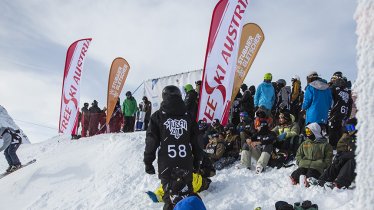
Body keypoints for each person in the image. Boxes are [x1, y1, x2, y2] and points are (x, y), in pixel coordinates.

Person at [143, 85, 202, 210]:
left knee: (170, 198)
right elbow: (197, 140)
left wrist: (148, 161)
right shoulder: (188, 116)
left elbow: (151, 141)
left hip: (166, 164)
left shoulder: (158, 116)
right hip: (185, 162)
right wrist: (198, 160)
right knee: (187, 196)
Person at [317, 118, 357, 189]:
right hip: (350, 157)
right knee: (339, 161)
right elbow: (344, 149)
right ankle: (323, 179)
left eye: (351, 127)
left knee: (351, 162)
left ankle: (340, 183)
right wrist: (341, 155)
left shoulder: (362, 138)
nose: (349, 130)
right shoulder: (350, 137)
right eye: (348, 127)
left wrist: (344, 156)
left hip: (361, 162)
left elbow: (357, 153)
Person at [290, 123, 333, 187]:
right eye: (306, 131)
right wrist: (300, 161)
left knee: (311, 173)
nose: (307, 133)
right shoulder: (305, 143)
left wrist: (323, 165)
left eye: (309, 131)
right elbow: (299, 154)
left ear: (314, 131)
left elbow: (328, 158)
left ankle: (307, 181)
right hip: (304, 164)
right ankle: (297, 179)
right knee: (299, 172)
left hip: (316, 166)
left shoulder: (325, 145)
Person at [328, 72, 352, 148]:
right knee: (341, 130)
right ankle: (341, 147)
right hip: (344, 114)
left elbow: (329, 101)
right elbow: (350, 103)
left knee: (333, 130)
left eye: (333, 78)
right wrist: (347, 115)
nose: (332, 80)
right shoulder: (347, 90)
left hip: (335, 113)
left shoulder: (334, 88)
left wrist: (329, 112)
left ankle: (333, 147)